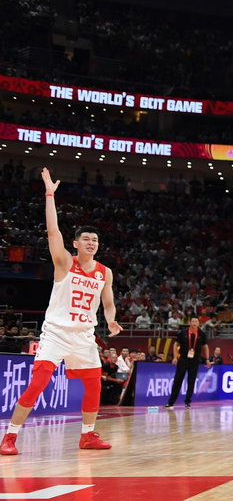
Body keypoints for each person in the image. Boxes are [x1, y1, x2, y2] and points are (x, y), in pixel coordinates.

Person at [2, 168, 123, 456]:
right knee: (38, 384)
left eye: (95, 240)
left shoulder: (105, 272)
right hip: (56, 333)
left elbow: (107, 301)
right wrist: (49, 194)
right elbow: (53, 230)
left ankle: (87, 435)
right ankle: (9, 437)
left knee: (93, 385)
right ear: (76, 244)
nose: (91, 243)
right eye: (86, 239)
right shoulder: (64, 263)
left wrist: (111, 320)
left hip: (84, 335)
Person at [166, 317, 211, 409]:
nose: (194, 323)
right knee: (178, 380)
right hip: (183, 359)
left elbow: (205, 347)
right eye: (193, 321)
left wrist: (207, 359)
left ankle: (187, 402)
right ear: (190, 323)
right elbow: (175, 344)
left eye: (196, 321)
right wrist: (175, 357)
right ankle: (171, 402)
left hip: (195, 361)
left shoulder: (202, 334)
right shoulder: (183, 333)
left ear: (199, 323)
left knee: (191, 381)